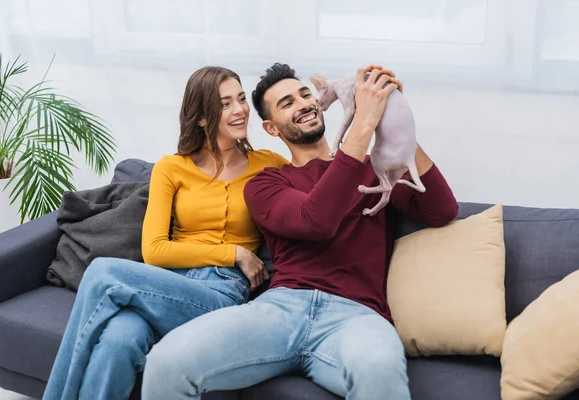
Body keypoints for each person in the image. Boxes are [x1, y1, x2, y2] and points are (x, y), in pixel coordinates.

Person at [141, 63, 459, 400]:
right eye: (287, 103)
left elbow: (441, 209)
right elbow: (316, 220)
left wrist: (396, 124)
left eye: (306, 95)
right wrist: (363, 125)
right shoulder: (265, 183)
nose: (303, 103)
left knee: (378, 369)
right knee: (166, 362)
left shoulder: (374, 171)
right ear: (271, 128)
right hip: (281, 310)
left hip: (357, 316)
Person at [42, 66, 288, 400]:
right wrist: (233, 252)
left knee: (102, 272)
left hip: (221, 293)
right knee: (119, 338)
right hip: (169, 284)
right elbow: (155, 250)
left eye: (241, 99)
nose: (240, 109)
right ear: (201, 117)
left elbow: (317, 179)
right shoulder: (172, 168)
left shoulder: (268, 164)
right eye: (226, 103)